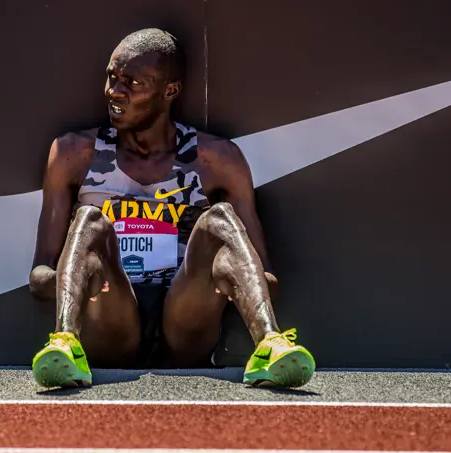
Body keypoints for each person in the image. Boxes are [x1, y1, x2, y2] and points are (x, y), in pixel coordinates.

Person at [28, 28, 315, 388]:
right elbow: (40, 276)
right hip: (111, 315)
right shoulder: (74, 154)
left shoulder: (217, 159)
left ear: (170, 91)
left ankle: (270, 345)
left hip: (185, 317)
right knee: (89, 219)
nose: (115, 92)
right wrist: (78, 279)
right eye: (112, 77)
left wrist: (229, 278)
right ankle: (64, 344)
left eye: (132, 83)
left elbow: (267, 280)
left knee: (220, 219)